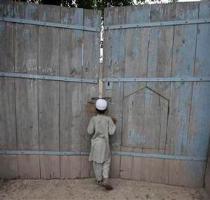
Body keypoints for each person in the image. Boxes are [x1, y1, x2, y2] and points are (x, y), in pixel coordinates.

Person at [87, 98, 116, 190]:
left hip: (96, 144)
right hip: (105, 144)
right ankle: (106, 179)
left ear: (96, 109)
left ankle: (99, 180)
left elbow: (89, 131)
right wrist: (114, 124)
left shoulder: (93, 119)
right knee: (106, 161)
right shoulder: (108, 119)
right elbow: (111, 132)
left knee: (97, 162)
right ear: (106, 110)